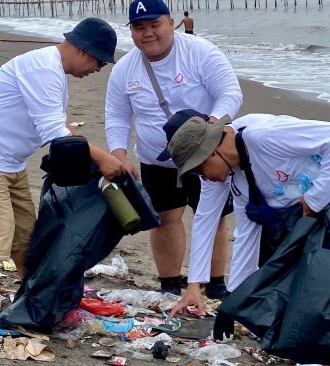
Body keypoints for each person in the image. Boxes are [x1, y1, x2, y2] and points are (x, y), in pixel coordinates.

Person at [163, 112, 330, 366]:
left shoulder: (263, 136)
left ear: (210, 152)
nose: (202, 178)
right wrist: (234, 298)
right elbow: (246, 233)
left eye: (198, 170)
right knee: (306, 306)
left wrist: (315, 198)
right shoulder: (237, 176)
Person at [0, 18, 125, 346]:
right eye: (99, 61)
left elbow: (55, 125)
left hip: (7, 161)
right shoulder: (41, 68)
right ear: (82, 50)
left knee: (26, 236)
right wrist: (103, 158)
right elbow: (55, 130)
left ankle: (37, 303)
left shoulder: (52, 70)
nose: (98, 69)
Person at [105, 0, 243, 297]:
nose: (148, 34)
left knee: (213, 216)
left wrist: (211, 128)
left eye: (155, 25)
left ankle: (215, 282)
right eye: (140, 28)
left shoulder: (201, 52)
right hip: (157, 159)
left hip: (204, 154)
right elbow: (117, 116)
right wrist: (119, 154)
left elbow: (230, 93)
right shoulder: (124, 69)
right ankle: (169, 283)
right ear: (131, 31)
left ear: (171, 22)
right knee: (165, 217)